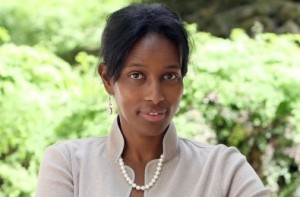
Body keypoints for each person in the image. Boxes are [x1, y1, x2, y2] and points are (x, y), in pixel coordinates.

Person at [36, 3, 270, 197]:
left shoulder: (223, 168)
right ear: (108, 79)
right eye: (136, 75)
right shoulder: (69, 164)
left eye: (169, 76)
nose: (155, 96)